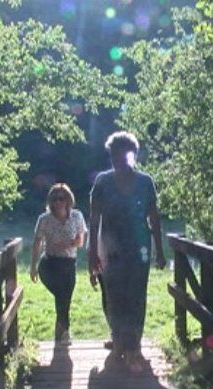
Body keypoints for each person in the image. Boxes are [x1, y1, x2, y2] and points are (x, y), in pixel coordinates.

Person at [88, 131, 166, 373]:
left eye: (123, 155)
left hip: (139, 249)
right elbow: (94, 219)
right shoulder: (102, 181)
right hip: (110, 249)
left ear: (133, 155)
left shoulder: (145, 182)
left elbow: (154, 218)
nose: (118, 160)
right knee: (113, 296)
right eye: (114, 155)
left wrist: (160, 251)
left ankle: (134, 344)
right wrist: (92, 252)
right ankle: (119, 338)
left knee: (136, 296)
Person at [30, 183, 87, 345]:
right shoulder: (44, 219)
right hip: (49, 264)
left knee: (64, 298)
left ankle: (61, 331)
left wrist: (68, 244)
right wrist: (33, 267)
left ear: (68, 200)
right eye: (54, 199)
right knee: (62, 296)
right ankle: (65, 331)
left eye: (61, 198)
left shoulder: (77, 216)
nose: (58, 202)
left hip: (69, 264)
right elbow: (37, 242)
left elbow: (80, 241)